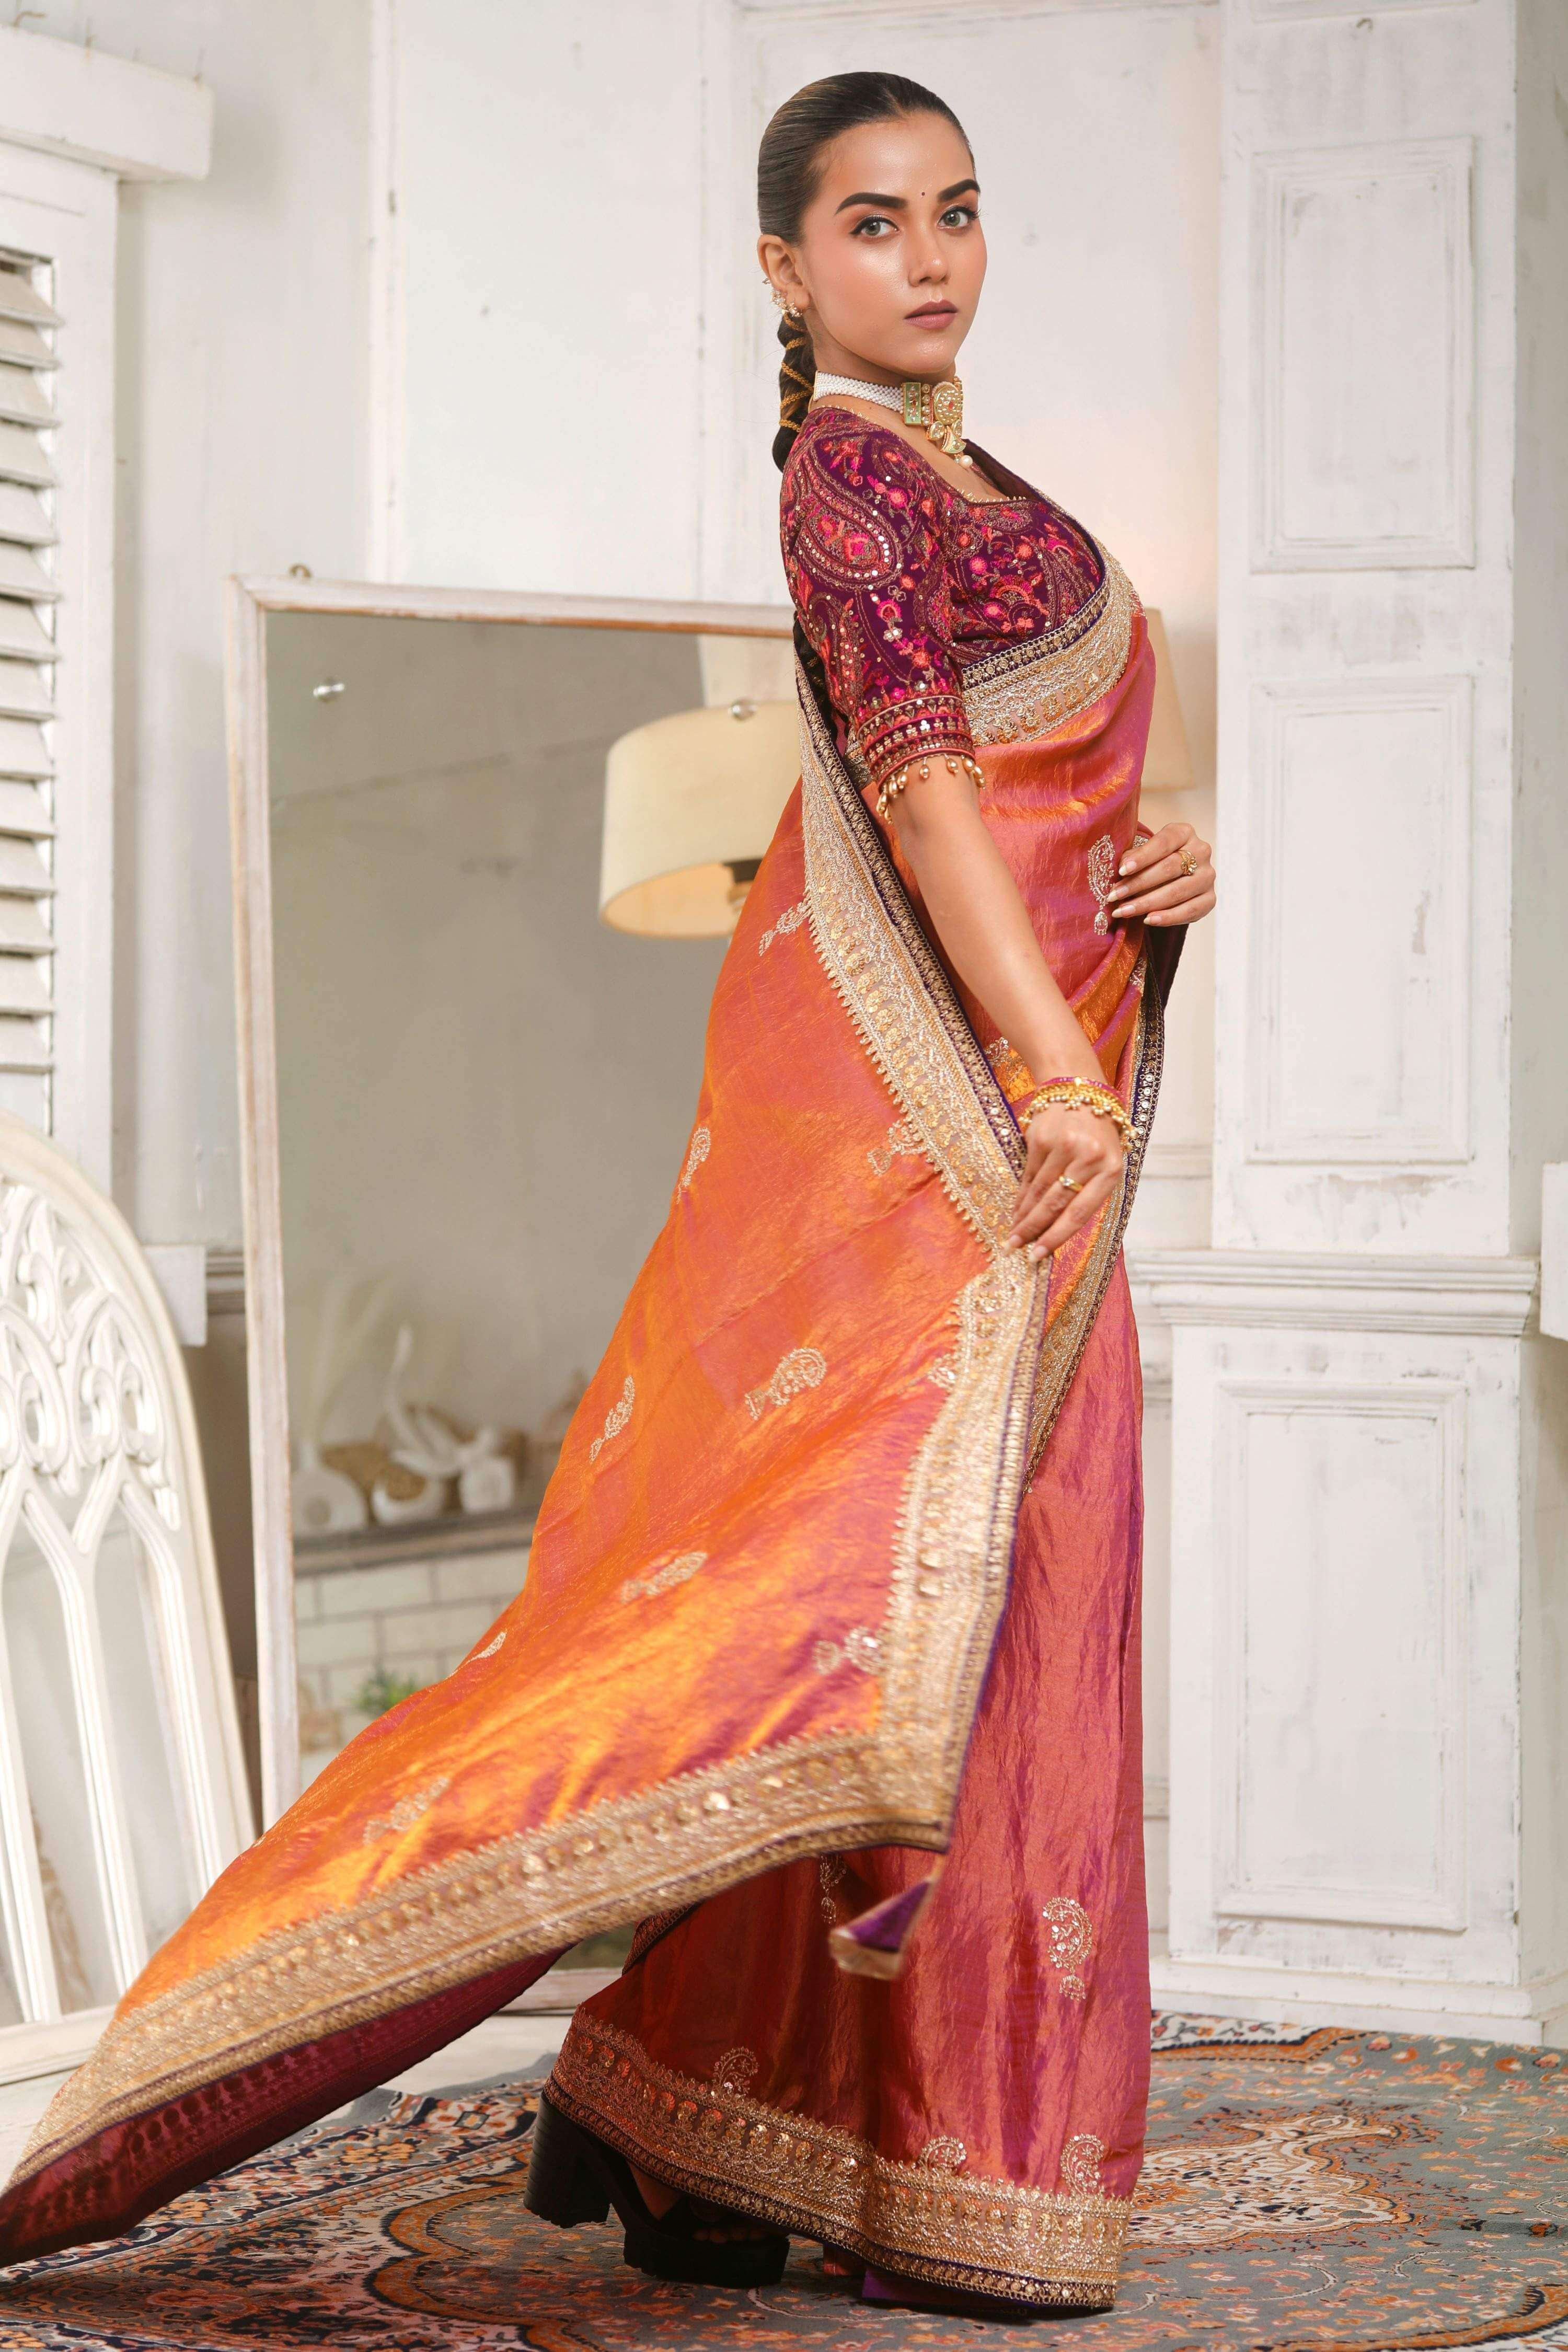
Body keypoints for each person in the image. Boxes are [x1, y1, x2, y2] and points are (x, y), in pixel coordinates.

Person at [0, 68, 1214, 2322]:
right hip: (972, 1130)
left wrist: (1164, 869)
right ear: (788, 270)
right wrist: (1051, 1074)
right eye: (874, 224)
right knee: (873, 1625)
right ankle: (822, 2133)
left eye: (957, 213)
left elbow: (1054, 806)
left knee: (941, 1629)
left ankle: (691, 2109)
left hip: (1049, 1095)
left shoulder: (986, 482)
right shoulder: (849, 486)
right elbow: (933, 803)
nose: (930, 258)